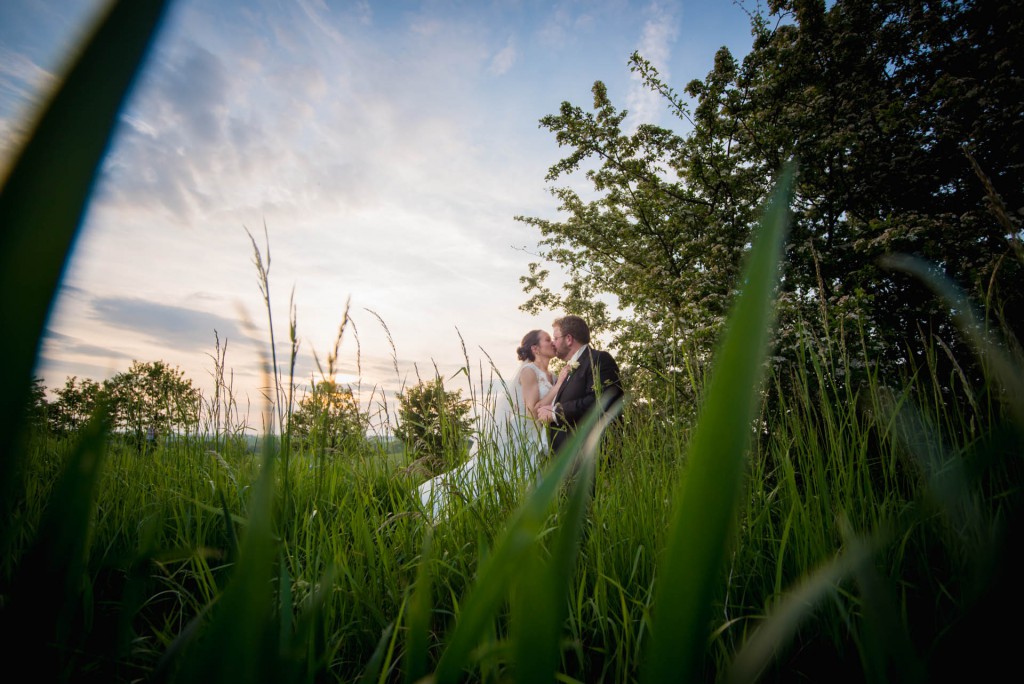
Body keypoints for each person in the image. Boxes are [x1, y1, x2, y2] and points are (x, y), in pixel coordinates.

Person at [417, 329, 567, 521]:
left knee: (535, 477)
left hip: (543, 433)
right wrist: (559, 385)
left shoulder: (553, 375)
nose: (553, 343)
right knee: (510, 475)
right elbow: (533, 410)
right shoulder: (529, 371)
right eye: (548, 340)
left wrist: (558, 382)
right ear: (535, 348)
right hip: (523, 432)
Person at [536, 315, 623, 455]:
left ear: (569, 339)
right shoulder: (569, 369)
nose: (553, 343)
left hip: (591, 456)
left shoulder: (599, 359)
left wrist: (556, 413)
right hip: (569, 458)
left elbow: (603, 400)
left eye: (556, 338)